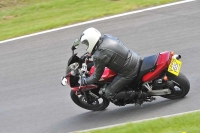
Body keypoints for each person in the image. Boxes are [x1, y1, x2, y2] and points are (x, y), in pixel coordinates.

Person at [68, 27, 142, 101]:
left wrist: (84, 81)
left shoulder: (98, 56)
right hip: (134, 57)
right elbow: (108, 50)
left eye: (87, 43)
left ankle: (139, 94)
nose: (86, 46)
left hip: (129, 71)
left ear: (91, 40)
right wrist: (91, 53)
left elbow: (96, 77)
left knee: (109, 93)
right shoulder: (107, 37)